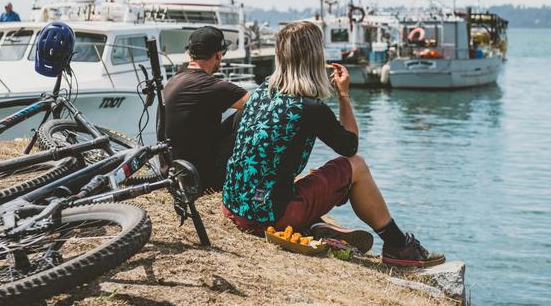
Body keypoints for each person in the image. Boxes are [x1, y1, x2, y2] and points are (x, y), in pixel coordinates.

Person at [222, 21, 445, 266]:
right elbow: (350, 147)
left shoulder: (260, 93)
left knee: (296, 173)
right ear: (315, 57)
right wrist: (343, 95)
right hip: (268, 219)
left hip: (234, 209)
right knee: (356, 166)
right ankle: (398, 246)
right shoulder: (308, 108)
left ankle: (314, 224)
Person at [164, 26, 250, 192]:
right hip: (200, 178)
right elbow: (261, 104)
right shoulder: (212, 87)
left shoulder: (173, 81)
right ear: (218, 55)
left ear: (190, 54)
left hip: (173, 173)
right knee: (247, 113)